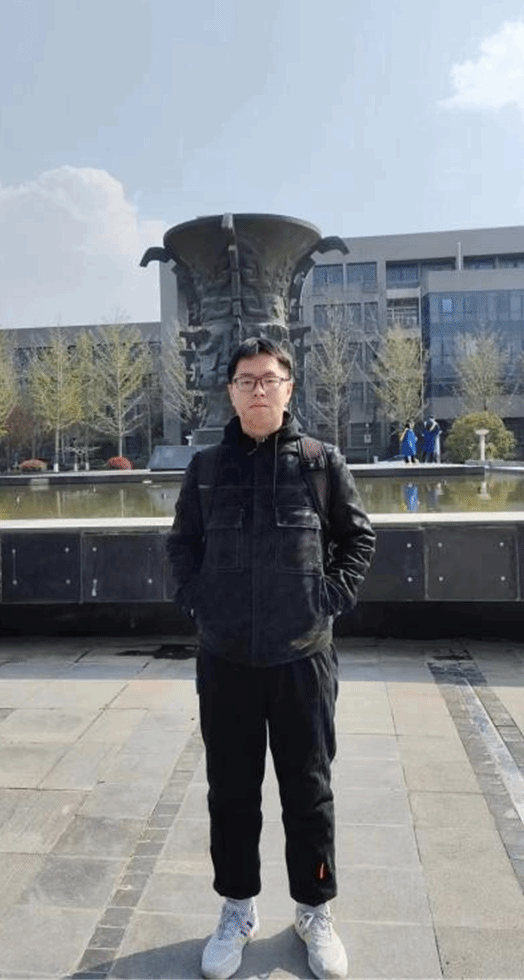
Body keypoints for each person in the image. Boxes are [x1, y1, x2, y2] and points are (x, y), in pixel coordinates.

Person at [167, 337, 376, 980]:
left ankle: (314, 909)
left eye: (269, 379)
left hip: (302, 660)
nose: (258, 389)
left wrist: (327, 600)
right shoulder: (206, 469)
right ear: (230, 392)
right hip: (226, 660)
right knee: (231, 793)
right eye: (246, 380)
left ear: (289, 388)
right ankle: (238, 908)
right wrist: (200, 604)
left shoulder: (320, 463)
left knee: (308, 792)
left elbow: (358, 539)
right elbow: (181, 548)